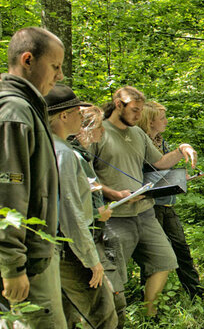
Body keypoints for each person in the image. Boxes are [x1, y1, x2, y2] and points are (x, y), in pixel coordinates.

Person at [89, 86, 198, 318]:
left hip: (144, 212)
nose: (139, 116)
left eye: (140, 111)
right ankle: (114, 317)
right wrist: (112, 193)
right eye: (135, 111)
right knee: (114, 273)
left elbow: (159, 163)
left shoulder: (137, 134)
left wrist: (181, 149)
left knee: (165, 261)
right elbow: (85, 177)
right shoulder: (99, 132)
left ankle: (150, 314)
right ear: (119, 105)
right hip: (116, 217)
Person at [0, 27, 67, 328]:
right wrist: (12, 265)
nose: (60, 76)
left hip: (34, 257)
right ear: (28, 60)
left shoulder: (27, 108)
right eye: (55, 66)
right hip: (25, 264)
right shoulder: (13, 113)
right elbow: (7, 194)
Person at [45, 85, 117, 329]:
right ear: (64, 116)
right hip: (68, 248)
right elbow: (70, 213)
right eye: (77, 111)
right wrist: (91, 259)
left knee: (66, 316)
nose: (81, 116)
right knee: (104, 315)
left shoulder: (44, 146)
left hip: (52, 245)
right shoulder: (63, 152)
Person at [136, 101, 204, 301]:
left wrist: (178, 178)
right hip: (149, 208)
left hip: (167, 204)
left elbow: (162, 171)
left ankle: (197, 294)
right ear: (150, 121)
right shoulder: (139, 143)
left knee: (181, 249)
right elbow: (146, 174)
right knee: (153, 255)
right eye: (162, 118)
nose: (166, 122)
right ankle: (149, 303)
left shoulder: (161, 142)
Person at [72, 105, 128, 327]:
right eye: (98, 127)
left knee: (115, 300)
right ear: (82, 129)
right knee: (108, 305)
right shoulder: (72, 157)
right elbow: (70, 207)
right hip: (85, 241)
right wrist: (97, 213)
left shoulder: (83, 156)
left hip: (96, 235)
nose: (102, 132)